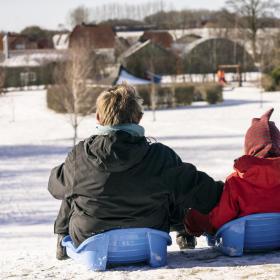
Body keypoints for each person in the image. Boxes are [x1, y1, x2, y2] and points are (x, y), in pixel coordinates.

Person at [48, 83, 223, 260]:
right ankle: (183, 230)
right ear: (139, 118)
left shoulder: (80, 157)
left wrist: (67, 170)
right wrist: (233, 189)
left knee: (72, 190)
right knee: (173, 185)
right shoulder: (160, 157)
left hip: (91, 239)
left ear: (98, 118)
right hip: (149, 237)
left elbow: (54, 187)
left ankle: (62, 237)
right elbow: (205, 193)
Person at [184, 108, 280, 237]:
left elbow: (220, 219)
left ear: (250, 148)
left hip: (246, 240)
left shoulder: (236, 181)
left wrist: (195, 219)